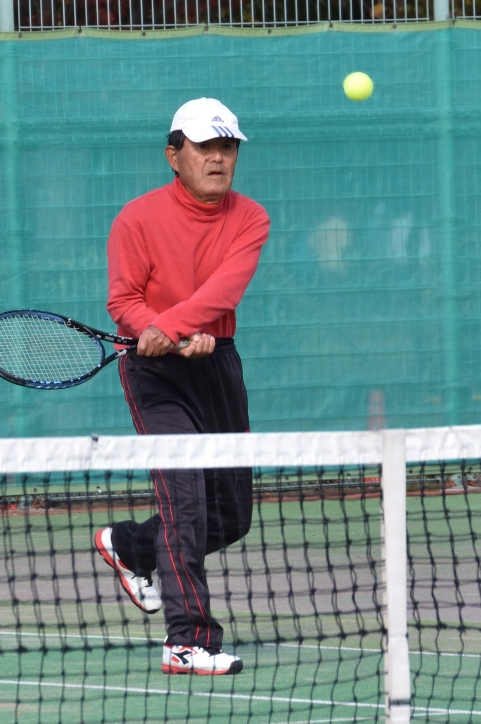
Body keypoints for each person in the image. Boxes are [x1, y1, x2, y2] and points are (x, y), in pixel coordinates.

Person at [94, 97, 270, 676]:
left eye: (227, 148)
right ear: (174, 156)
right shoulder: (136, 219)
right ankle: (187, 641)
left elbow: (224, 291)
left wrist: (177, 329)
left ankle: (131, 546)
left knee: (231, 516)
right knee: (185, 502)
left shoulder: (251, 218)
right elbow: (124, 299)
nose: (218, 158)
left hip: (217, 365)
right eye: (205, 147)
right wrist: (163, 333)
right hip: (154, 375)